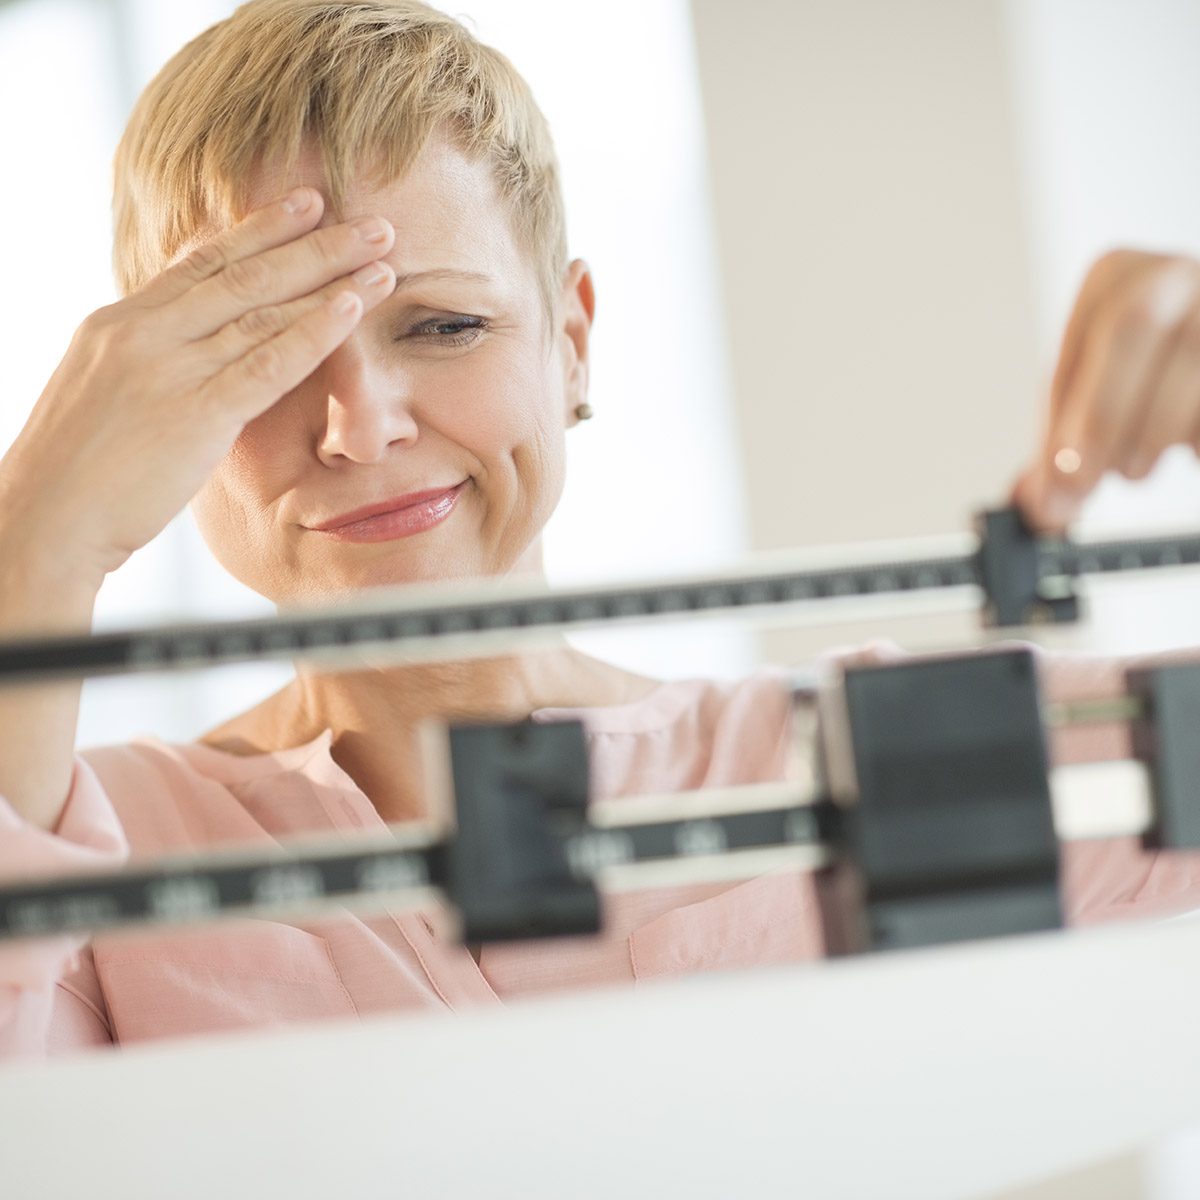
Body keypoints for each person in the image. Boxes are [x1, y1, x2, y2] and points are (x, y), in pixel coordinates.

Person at [0, 0, 1197, 1058]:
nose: (358, 427)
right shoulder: (89, 850)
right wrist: (35, 539)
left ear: (570, 339)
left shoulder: (833, 766)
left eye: (444, 327)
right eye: (258, 357)